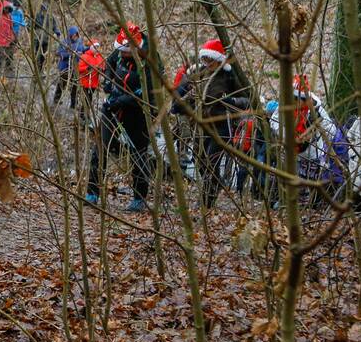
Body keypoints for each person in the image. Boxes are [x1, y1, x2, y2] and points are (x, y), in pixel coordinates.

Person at [85, 22, 157, 213]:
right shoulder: (119, 53)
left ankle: (139, 198)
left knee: (139, 153)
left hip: (139, 113)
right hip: (113, 109)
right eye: (122, 51)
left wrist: (121, 100)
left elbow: (147, 93)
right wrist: (108, 83)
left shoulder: (150, 62)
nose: (123, 55)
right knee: (100, 147)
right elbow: (108, 65)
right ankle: (92, 192)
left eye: (127, 52)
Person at [172, 39, 250, 207]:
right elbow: (181, 91)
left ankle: (207, 201)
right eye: (205, 58)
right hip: (201, 124)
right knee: (199, 161)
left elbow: (248, 100)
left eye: (211, 59)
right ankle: (215, 183)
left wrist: (231, 101)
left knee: (210, 160)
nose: (208, 62)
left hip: (223, 124)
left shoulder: (230, 76)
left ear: (219, 59)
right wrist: (179, 100)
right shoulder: (198, 72)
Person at [54, 25, 86, 108]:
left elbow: (83, 49)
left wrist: (91, 48)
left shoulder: (79, 42)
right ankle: (56, 100)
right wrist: (70, 54)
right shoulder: (64, 43)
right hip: (65, 68)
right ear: (71, 35)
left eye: (76, 35)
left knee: (74, 87)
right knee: (61, 84)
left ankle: (73, 104)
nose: (75, 37)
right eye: (74, 35)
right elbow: (58, 53)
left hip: (75, 68)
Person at [77, 39, 104, 118]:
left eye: (97, 47)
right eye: (95, 47)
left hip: (94, 83)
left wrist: (101, 69)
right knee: (87, 99)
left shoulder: (99, 57)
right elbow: (79, 69)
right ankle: (83, 115)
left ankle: (85, 114)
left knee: (90, 99)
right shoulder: (84, 56)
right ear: (91, 48)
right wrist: (87, 68)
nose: (97, 49)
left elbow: (103, 66)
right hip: (85, 83)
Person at [32, 2, 60, 72]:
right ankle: (36, 69)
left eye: (44, 9)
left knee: (43, 55)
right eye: (42, 9)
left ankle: (40, 69)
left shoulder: (50, 18)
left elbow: (54, 27)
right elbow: (33, 26)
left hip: (46, 40)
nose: (43, 11)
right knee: (37, 54)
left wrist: (57, 33)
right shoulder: (38, 16)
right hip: (38, 39)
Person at [0, 2, 15, 71]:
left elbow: (11, 27)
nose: (7, 10)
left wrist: (11, 37)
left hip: (6, 38)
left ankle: (0, 67)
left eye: (8, 9)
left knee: (4, 53)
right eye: (6, 8)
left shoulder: (9, 17)